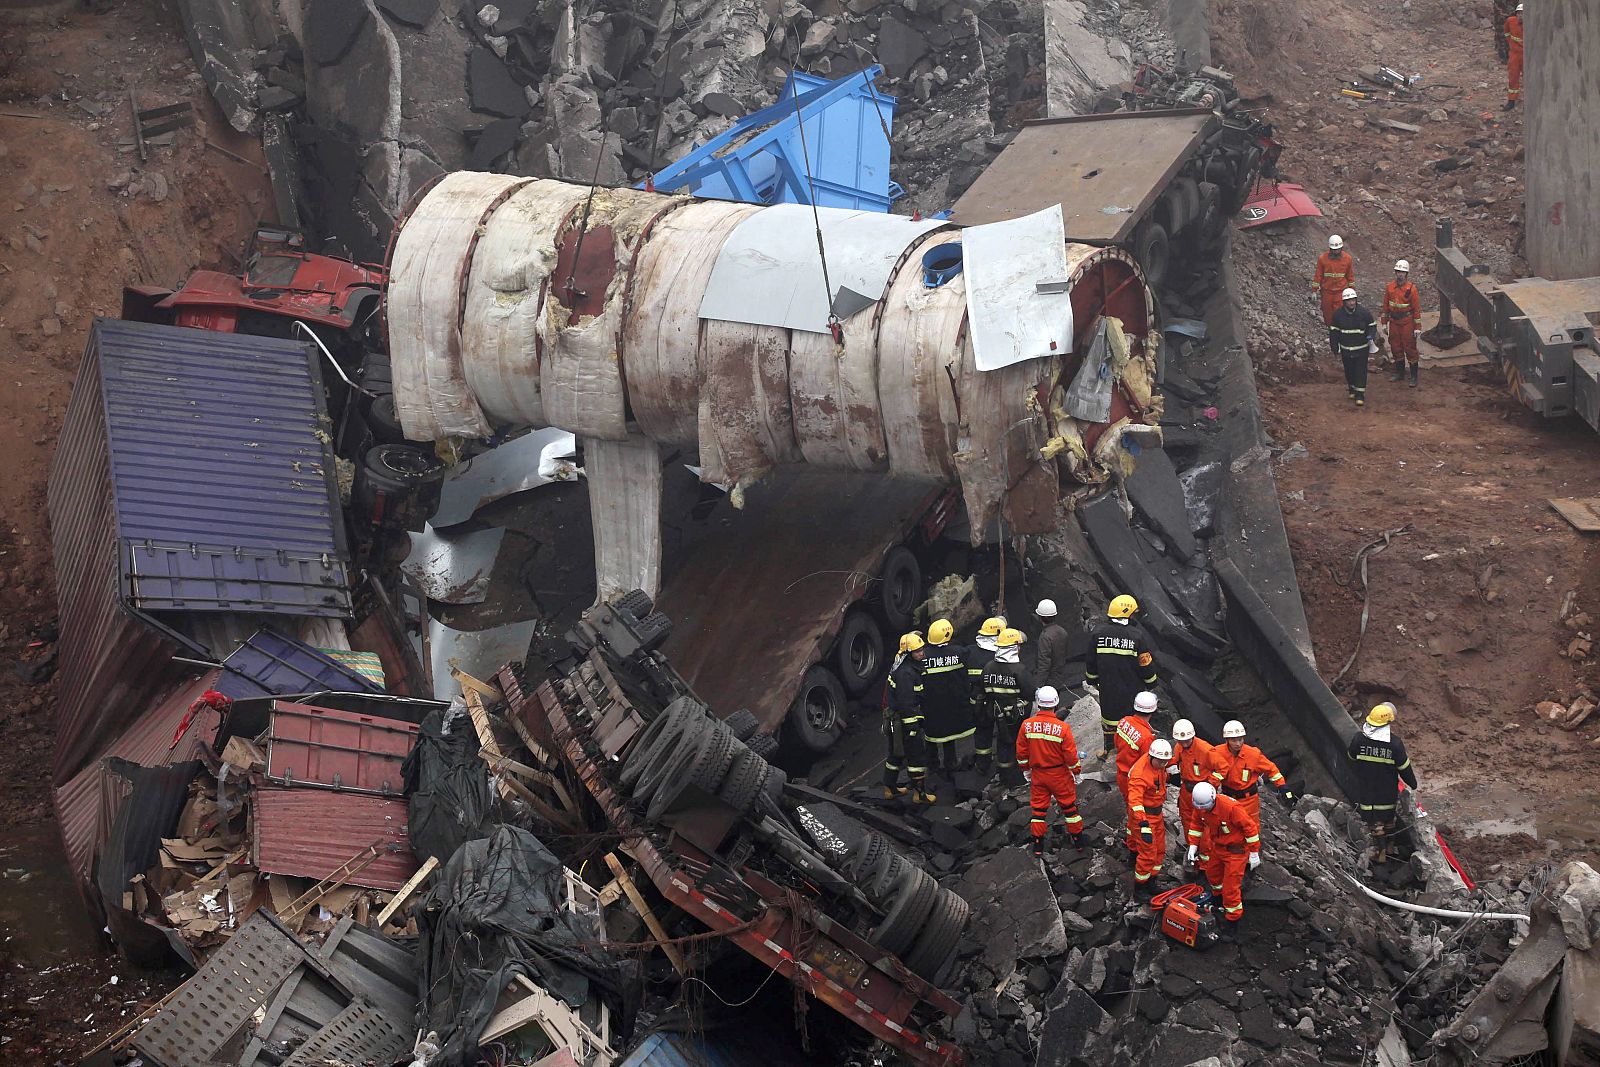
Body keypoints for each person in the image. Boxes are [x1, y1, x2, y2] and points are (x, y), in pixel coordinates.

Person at [1085, 594, 1159, 757]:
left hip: (1108, 688)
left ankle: (1108, 751)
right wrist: (1151, 683)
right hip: (1132, 689)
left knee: (1109, 721)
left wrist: (1092, 680)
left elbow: (1091, 662)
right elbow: (1145, 663)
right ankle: (1132, 752)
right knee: (1131, 723)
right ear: (1128, 613)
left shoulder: (1098, 634)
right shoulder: (1136, 636)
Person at [1016, 686, 1085, 856]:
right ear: (1056, 703)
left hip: (1038, 774)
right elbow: (1070, 755)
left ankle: (1038, 846)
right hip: (1059, 775)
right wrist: (1076, 771)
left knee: (1038, 811)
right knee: (1070, 809)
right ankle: (1078, 842)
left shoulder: (1027, 725)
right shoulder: (1062, 728)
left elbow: (1021, 752)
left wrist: (1026, 770)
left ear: (1038, 703)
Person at [1346, 702, 1418, 863]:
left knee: (1375, 822)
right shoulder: (1395, 744)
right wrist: (1413, 784)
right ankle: (1390, 848)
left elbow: (1351, 757)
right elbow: (1404, 768)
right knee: (1388, 819)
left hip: (1367, 790)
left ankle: (1382, 851)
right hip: (1387, 792)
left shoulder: (1359, 739)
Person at [1191, 781, 1260, 939]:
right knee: (1212, 874)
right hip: (1218, 847)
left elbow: (1250, 828)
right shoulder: (1201, 807)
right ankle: (1217, 898)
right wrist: (1193, 846)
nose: (1202, 810)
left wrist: (1254, 852)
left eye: (1204, 807)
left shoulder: (1231, 808)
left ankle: (1232, 923)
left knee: (1231, 889)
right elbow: (1196, 824)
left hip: (1236, 851)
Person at [1209, 720, 1295, 843]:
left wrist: (1283, 787)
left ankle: (1252, 854)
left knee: (1251, 828)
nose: (1238, 743)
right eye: (1234, 740)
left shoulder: (1253, 754)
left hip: (1249, 800)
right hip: (1227, 798)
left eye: (1240, 739)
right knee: (1229, 827)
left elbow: (1271, 770)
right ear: (1226, 739)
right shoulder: (1217, 753)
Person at [920, 618, 975, 777]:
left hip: (930, 706)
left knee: (931, 735)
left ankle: (933, 765)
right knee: (949, 735)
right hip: (953, 703)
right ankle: (950, 763)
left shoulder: (922, 657)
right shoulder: (959, 652)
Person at [980, 628, 1035, 782]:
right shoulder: (1019, 669)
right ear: (1014, 647)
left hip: (997, 712)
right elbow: (1030, 692)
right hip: (1018, 714)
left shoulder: (989, 667)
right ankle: (1018, 775)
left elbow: (983, 688)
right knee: (1019, 741)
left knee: (1003, 741)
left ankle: (1004, 773)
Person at [884, 632, 933, 803]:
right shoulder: (906, 674)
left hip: (896, 720)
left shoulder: (902, 666)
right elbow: (906, 703)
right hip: (905, 722)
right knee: (916, 756)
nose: (922, 653)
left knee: (895, 755)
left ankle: (890, 789)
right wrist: (913, 727)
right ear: (908, 653)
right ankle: (920, 794)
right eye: (918, 651)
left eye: (921, 650)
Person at [1127, 738, 1174, 894]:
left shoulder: (1158, 763)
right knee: (1148, 854)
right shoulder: (1140, 775)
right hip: (1144, 817)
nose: (1163, 765)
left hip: (1156, 813)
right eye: (1161, 762)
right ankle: (1140, 888)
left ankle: (1151, 880)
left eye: (1165, 762)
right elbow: (1135, 802)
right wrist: (1143, 825)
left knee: (1160, 849)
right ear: (1152, 757)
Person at [1171, 718, 1216, 861]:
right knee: (1186, 820)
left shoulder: (1206, 749)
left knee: (1204, 824)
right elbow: (1174, 761)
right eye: (1180, 741)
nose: (1184, 744)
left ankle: (1206, 857)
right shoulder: (1178, 747)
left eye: (1187, 741)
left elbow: (1222, 768)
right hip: (1186, 790)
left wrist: (1210, 785)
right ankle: (1192, 849)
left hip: (1202, 792)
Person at [968, 616, 1007, 769]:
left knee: (982, 732)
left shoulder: (970, 651)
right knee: (1004, 732)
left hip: (978, 702)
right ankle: (1004, 764)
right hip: (999, 701)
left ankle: (982, 764)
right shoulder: (1001, 654)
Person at [1329, 287, 1378, 407]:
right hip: (1346, 349)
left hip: (1361, 349)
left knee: (1360, 371)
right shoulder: (1338, 315)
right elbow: (1334, 332)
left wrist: (1370, 336)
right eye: (1349, 300)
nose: (1352, 303)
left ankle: (1360, 394)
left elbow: (1372, 326)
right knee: (1349, 371)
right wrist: (1335, 347)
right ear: (1344, 302)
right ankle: (1352, 388)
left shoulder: (1364, 313)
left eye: (1353, 300)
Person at [1114, 690, 1159, 809]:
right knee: (1138, 810)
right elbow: (1149, 764)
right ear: (1153, 710)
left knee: (1130, 807)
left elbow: (1116, 743)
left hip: (1121, 774)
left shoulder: (1124, 721)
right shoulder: (1147, 738)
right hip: (1134, 779)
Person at [1383, 260, 1423, 388]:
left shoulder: (1412, 289)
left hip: (1407, 322)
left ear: (1406, 274)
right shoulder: (1390, 287)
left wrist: (1417, 327)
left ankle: (1414, 376)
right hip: (1394, 322)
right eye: (1398, 272)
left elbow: (1416, 309)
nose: (1400, 274)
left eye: (1403, 272)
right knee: (1395, 347)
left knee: (1409, 347)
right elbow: (1385, 307)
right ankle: (1400, 373)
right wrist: (1384, 323)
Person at [1314, 235, 1355, 326]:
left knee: (1340, 313)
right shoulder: (1322, 259)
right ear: (1330, 248)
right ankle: (1331, 330)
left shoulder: (1348, 259)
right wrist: (1314, 290)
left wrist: (1352, 290)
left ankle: (1340, 331)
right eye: (1334, 249)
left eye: (1338, 249)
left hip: (1340, 292)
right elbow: (1318, 275)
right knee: (1327, 313)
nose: (1336, 251)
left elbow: (1350, 276)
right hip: (1327, 292)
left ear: (1341, 248)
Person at [1033, 598, 1071, 694]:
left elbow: (1044, 663)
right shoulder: (1062, 631)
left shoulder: (1045, 636)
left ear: (1040, 617)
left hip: (1048, 682)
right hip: (1058, 678)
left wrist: (1038, 685)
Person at [1504, 3, 1523, 110]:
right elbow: (1506, 32)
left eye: (1523, 13)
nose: (1521, 16)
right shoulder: (1510, 21)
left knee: (1529, 79)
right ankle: (1511, 102)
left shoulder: (1531, 24)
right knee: (1513, 77)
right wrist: (1511, 43)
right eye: (1519, 13)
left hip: (1527, 56)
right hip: (1515, 55)